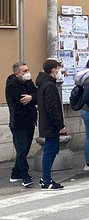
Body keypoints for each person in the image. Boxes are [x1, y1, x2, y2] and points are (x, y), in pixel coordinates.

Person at [6, 61, 37, 187]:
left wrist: (31, 97)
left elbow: (38, 94)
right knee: (21, 149)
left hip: (30, 120)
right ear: (17, 73)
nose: (28, 73)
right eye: (24, 71)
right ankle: (25, 175)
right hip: (18, 122)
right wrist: (31, 98)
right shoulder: (12, 85)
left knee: (25, 149)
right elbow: (22, 100)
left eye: (28, 70)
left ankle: (15, 173)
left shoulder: (28, 82)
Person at [37, 59, 66, 190]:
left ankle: (46, 178)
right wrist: (60, 125)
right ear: (54, 70)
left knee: (53, 149)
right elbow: (52, 108)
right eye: (59, 69)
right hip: (51, 124)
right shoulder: (49, 85)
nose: (59, 72)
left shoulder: (44, 84)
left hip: (47, 123)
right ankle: (46, 180)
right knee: (50, 151)